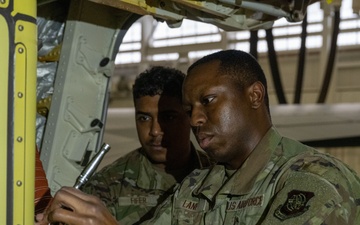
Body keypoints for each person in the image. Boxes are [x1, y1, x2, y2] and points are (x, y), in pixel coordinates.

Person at [38, 50, 360, 225]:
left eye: (207, 101)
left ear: (255, 95)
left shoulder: (314, 181)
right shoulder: (197, 187)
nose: (195, 119)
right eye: (189, 108)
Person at [35, 66, 213, 224]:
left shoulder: (217, 175)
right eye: (144, 118)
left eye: (168, 117)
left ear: (189, 117)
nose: (155, 131)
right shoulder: (107, 185)